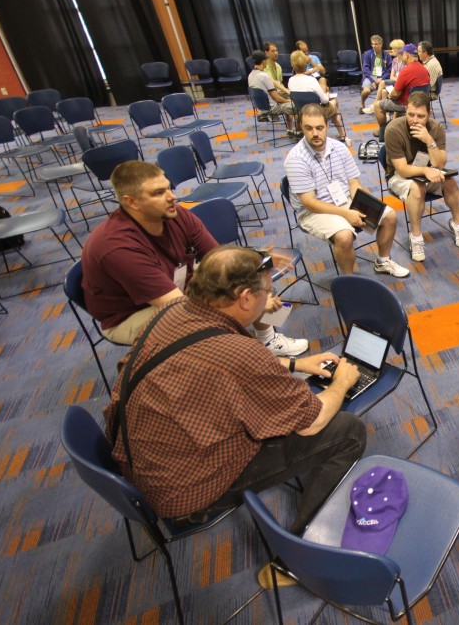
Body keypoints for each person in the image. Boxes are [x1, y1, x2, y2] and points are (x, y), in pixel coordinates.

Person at [102, 247, 366, 583]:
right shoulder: (239, 352)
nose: (269, 301)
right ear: (244, 298)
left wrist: (297, 364)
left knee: (276, 406)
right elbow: (312, 420)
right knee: (346, 431)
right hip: (185, 495)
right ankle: (298, 556)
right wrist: (341, 384)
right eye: (267, 293)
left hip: (138, 463)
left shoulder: (173, 312)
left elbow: (214, 365)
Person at [81, 160, 307, 356]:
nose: (172, 197)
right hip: (133, 313)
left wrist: (259, 263)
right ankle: (238, 361)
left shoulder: (176, 214)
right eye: (158, 193)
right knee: (212, 321)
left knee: (251, 277)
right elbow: (179, 309)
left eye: (168, 188)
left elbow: (220, 260)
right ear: (132, 202)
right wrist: (256, 305)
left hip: (178, 286)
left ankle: (267, 340)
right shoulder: (118, 247)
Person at [285, 104, 409, 278]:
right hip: (312, 211)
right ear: (301, 128)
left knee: (389, 216)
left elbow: (353, 183)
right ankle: (349, 281)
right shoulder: (296, 158)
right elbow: (309, 202)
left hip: (343, 200)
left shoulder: (339, 147)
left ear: (327, 126)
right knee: (344, 236)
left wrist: (361, 203)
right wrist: (345, 213)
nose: (315, 133)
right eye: (309, 128)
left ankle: (383, 262)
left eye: (319, 128)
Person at [384, 91, 459, 262]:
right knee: (417, 187)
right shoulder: (393, 129)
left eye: (420, 116)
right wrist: (425, 171)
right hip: (399, 176)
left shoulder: (436, 128)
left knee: (449, 180)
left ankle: (458, 226)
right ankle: (416, 239)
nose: (414, 120)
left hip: (428, 171)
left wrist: (429, 140)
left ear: (428, 114)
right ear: (405, 110)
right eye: (410, 114)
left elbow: (440, 163)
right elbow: (403, 169)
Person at [288, 50, 349, 144]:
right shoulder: (311, 80)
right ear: (305, 63)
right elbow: (324, 100)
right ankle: (341, 132)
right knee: (333, 101)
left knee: (331, 105)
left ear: (293, 65)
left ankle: (336, 124)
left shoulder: (291, 81)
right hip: (317, 112)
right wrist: (327, 95)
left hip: (302, 113)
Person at [374, 43, 430, 139]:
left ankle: (383, 131)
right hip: (421, 103)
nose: (402, 56)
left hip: (406, 104)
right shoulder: (424, 69)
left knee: (377, 106)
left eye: (403, 54)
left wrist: (390, 95)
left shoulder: (406, 71)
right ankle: (396, 128)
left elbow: (395, 94)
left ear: (407, 55)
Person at [248, 49, 296, 139]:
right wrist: (287, 100)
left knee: (287, 101)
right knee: (298, 105)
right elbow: (276, 98)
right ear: (263, 61)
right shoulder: (264, 76)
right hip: (272, 109)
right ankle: (299, 132)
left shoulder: (250, 75)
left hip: (261, 108)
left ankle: (290, 130)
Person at [360, 34, 392, 114]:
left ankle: (379, 107)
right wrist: (372, 81)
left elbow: (389, 69)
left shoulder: (386, 55)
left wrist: (382, 78)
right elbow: (365, 69)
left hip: (382, 77)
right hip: (370, 76)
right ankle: (362, 103)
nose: (374, 46)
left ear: (381, 44)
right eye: (372, 44)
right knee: (366, 91)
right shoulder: (368, 54)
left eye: (376, 44)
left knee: (385, 91)